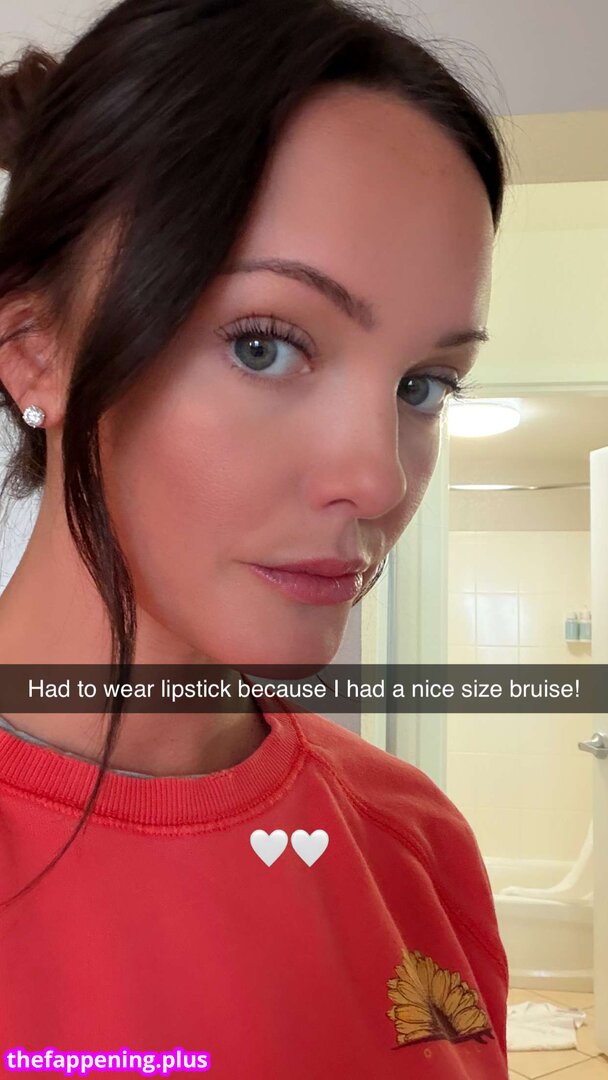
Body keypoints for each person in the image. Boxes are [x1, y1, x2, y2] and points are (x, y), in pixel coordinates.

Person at [0, 0, 510, 1076]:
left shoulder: (417, 843)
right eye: (264, 346)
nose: (378, 477)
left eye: (424, 384)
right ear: (35, 348)